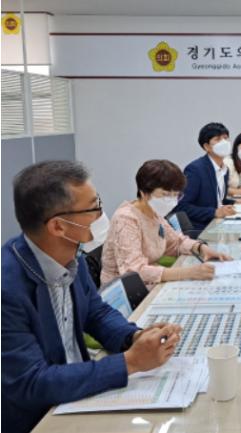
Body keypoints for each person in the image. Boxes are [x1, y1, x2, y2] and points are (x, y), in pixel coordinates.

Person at [1, 161, 182, 433]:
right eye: (93, 207)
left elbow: (96, 312)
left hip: (79, 394)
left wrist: (133, 337)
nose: (101, 214)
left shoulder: (71, 255)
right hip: (39, 419)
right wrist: (130, 362)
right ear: (58, 226)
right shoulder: (7, 288)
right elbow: (32, 383)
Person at [101, 159, 231, 287]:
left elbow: (176, 243)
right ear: (144, 192)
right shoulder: (126, 219)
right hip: (124, 292)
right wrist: (189, 273)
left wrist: (200, 248)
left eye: (176, 195)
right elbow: (134, 271)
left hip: (148, 283)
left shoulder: (154, 213)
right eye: (165, 194)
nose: (172, 201)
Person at [174, 122, 237, 231]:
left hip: (220, 223)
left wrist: (235, 202)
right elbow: (181, 206)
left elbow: (216, 199)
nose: (224, 142)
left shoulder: (225, 169)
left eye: (226, 138)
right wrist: (214, 212)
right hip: (202, 228)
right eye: (218, 139)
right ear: (207, 146)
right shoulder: (195, 170)